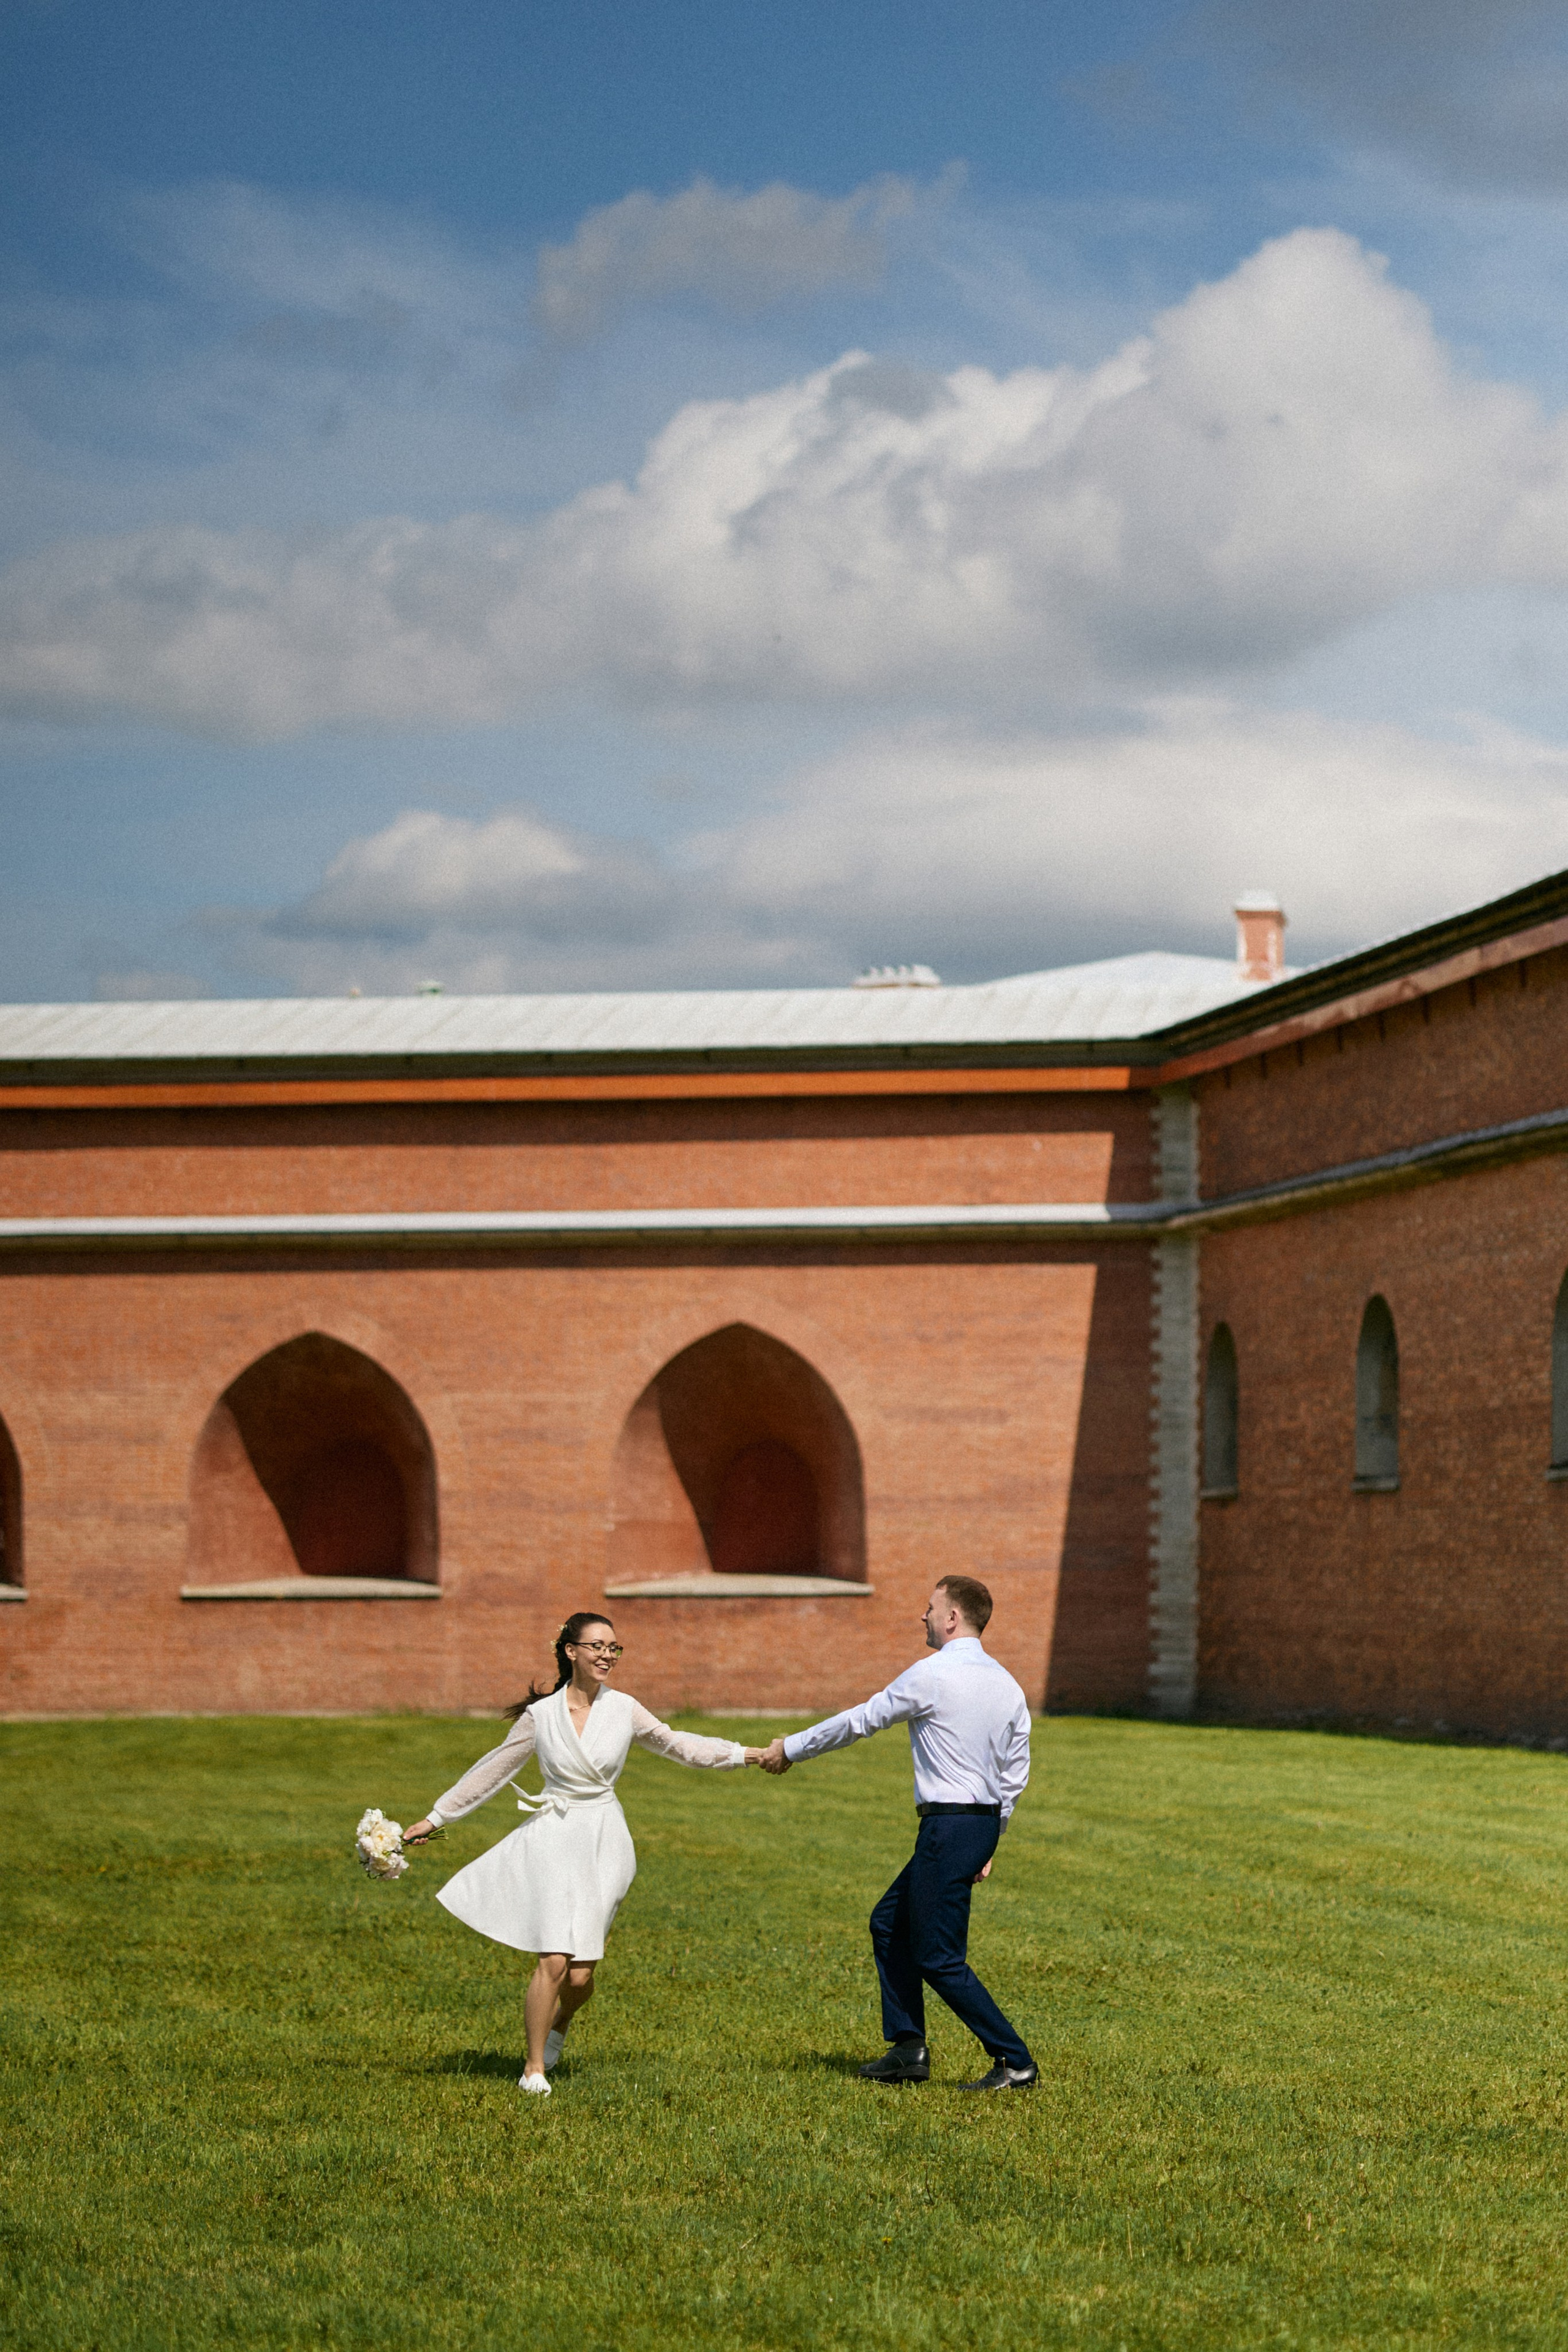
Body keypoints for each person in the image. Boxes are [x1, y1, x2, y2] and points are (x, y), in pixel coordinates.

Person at [405, 1611, 766, 2095]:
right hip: (554, 1836)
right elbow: (492, 1770)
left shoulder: (624, 1709)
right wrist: (435, 1818)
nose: (607, 1655)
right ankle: (534, 2069)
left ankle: (561, 2021)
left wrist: (747, 1754)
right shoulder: (541, 1717)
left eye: (614, 1648)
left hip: (605, 1842)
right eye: (598, 1646)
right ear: (571, 1651)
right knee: (554, 1957)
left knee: (578, 1979)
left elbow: (679, 1745)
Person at [760, 1574, 1036, 2091]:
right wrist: (991, 1836)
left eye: (930, 1607)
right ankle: (909, 2050)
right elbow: (1015, 1770)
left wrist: (791, 1748)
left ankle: (1015, 2061)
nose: (922, 1616)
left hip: (949, 1827)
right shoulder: (1008, 1684)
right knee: (890, 1924)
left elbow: (862, 1720)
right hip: (976, 1825)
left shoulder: (932, 1674)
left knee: (938, 1956)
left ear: (952, 1617)